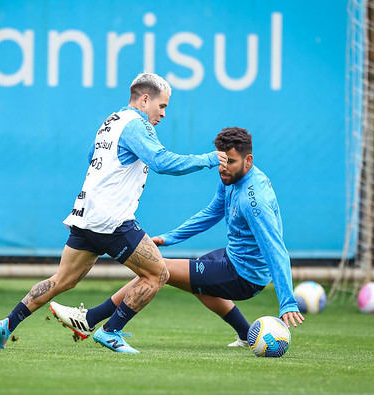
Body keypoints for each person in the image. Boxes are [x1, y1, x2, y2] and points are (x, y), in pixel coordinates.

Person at [0, 73, 227, 353]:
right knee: (157, 274)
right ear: (145, 99)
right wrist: (209, 159)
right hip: (111, 221)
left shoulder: (111, 121)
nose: (163, 114)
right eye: (162, 106)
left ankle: (7, 324)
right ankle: (111, 331)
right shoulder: (137, 125)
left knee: (62, 280)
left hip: (85, 215)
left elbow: (93, 155)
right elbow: (161, 162)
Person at [50, 127, 304, 348]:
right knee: (198, 285)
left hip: (244, 276)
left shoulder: (254, 200)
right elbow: (212, 213)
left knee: (159, 269)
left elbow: (275, 249)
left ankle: (91, 320)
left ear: (248, 160)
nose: (223, 168)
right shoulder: (229, 179)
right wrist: (171, 238)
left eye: (232, 162)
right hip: (231, 257)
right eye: (222, 161)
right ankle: (247, 335)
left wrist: (287, 301)